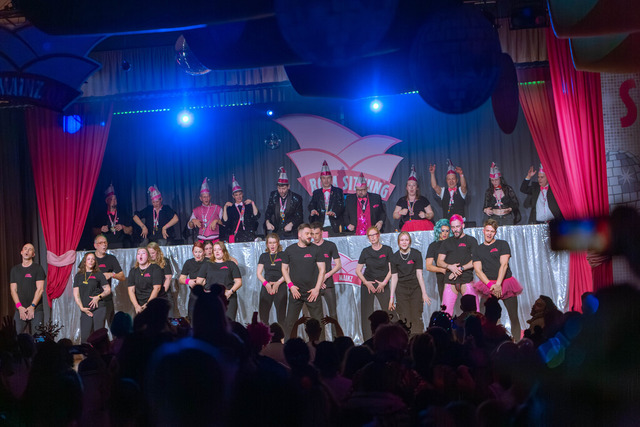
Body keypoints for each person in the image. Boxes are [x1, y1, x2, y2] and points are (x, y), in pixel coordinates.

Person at [472, 219, 523, 341]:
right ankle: (486, 343)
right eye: (487, 231)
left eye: (492, 231)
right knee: (485, 317)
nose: (489, 233)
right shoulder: (478, 249)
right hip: (488, 285)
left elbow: (504, 265)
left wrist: (499, 284)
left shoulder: (502, 244)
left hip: (506, 283)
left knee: (514, 317)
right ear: (483, 231)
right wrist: (491, 285)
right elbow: (478, 271)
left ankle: (517, 343)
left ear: (495, 232)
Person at [282, 223, 326, 337]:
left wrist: (317, 289)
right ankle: (289, 346)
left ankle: (321, 346)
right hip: (295, 292)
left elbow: (322, 270)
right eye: (307, 233)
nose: (310, 236)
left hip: (312, 292)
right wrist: (291, 286)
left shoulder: (316, 249)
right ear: (299, 234)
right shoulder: (289, 250)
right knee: (290, 323)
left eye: (311, 233)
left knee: (318, 322)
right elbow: (284, 269)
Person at [388, 231, 431, 335]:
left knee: (416, 315)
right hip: (401, 290)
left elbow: (419, 274)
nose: (404, 242)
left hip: (415, 289)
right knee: (405, 317)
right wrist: (391, 297)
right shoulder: (394, 257)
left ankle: (418, 339)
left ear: (410, 242)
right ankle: (406, 340)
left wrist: (424, 293)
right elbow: (394, 277)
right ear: (398, 242)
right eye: (402, 240)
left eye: (406, 240)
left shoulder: (416, 254)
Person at [355, 226, 393, 342]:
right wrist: (366, 283)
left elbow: (392, 269)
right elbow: (358, 270)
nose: (372, 237)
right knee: (366, 313)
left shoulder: (387, 250)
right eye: (370, 236)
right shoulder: (365, 251)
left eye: (374, 235)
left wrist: (384, 283)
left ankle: (392, 337)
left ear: (378, 235)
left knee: (389, 311)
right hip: (368, 283)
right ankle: (368, 340)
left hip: (382, 283)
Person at [437, 214, 479, 316]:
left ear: (462, 225)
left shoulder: (471, 240)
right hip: (450, 281)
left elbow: (475, 260)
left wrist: (461, 268)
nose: (455, 229)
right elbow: (439, 261)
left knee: (474, 313)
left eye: (457, 226)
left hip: (466, 280)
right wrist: (450, 267)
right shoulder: (446, 242)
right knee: (445, 314)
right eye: (453, 227)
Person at [196, 241, 242, 320]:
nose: (217, 252)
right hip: (211, 299)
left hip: (228, 297)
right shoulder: (207, 264)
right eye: (215, 250)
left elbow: (239, 282)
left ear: (223, 250)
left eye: (219, 249)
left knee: (229, 322)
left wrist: (230, 292)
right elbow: (198, 282)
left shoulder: (231, 264)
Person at [310, 222, 342, 337]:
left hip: (328, 284)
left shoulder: (330, 245)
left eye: (317, 233)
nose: (315, 236)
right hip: (315, 285)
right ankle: (319, 339)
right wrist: (318, 282)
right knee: (316, 315)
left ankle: (336, 339)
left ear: (322, 233)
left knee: (332, 314)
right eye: (312, 234)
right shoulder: (309, 247)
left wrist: (326, 276)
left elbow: (338, 265)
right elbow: (309, 268)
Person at [72, 252, 110, 343]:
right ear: (84, 262)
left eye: (93, 259)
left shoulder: (98, 274)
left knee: (99, 336)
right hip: (85, 309)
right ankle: (86, 352)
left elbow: (108, 290)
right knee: (85, 337)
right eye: (88, 259)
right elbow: (76, 294)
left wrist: (98, 297)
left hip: (98, 307)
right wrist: (81, 308)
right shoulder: (78, 276)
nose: (91, 261)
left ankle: (101, 351)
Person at [10, 243, 45, 335]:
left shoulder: (38, 268)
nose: (27, 251)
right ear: (21, 252)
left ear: (33, 254)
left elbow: (40, 289)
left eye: (30, 249)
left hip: (36, 309)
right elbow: (13, 290)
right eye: (25, 248)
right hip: (20, 309)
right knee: (14, 336)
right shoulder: (15, 270)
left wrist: (32, 306)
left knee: (39, 338)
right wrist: (19, 307)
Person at [93, 234, 125, 328]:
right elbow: (81, 274)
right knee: (97, 328)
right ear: (95, 245)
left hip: (107, 297)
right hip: (92, 297)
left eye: (105, 242)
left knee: (112, 325)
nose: (104, 245)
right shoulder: (90, 258)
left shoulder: (111, 258)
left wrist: (111, 274)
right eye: (101, 243)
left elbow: (122, 277)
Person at [264, 167, 304, 240]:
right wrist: (267, 222)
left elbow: (299, 216)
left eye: (283, 188)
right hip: (277, 230)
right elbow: (268, 211)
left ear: (288, 187)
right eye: (279, 188)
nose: (281, 191)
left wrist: (291, 224)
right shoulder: (273, 195)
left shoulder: (296, 198)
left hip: (291, 232)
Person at [256, 233, 287, 326]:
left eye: (274, 243)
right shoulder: (263, 256)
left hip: (280, 285)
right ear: (267, 244)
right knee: (263, 316)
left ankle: (282, 335)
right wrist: (266, 284)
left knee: (281, 317)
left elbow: (287, 272)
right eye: (270, 243)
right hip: (267, 285)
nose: (272, 245)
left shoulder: (283, 255)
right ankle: (265, 334)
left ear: (278, 243)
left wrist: (278, 283)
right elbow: (259, 273)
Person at [308, 160, 345, 236]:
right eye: (324, 178)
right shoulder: (316, 193)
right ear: (321, 179)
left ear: (331, 179)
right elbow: (311, 204)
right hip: (320, 225)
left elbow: (341, 205)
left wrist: (334, 212)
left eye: (328, 178)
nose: (326, 180)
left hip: (335, 224)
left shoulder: (338, 191)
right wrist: (313, 210)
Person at [393, 165, 434, 231]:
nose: (411, 188)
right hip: (407, 227)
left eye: (414, 185)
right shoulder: (402, 200)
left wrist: (426, 215)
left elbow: (431, 214)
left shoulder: (423, 199)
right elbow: (395, 215)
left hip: (422, 227)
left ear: (417, 188)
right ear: (406, 187)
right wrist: (400, 212)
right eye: (409, 185)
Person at [93, 183, 132, 248]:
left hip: (121, 245)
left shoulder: (123, 214)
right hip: (105, 245)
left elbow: (130, 231)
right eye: (111, 199)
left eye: (115, 199)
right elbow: (93, 231)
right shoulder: (101, 216)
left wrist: (123, 227)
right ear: (106, 201)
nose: (113, 201)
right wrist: (101, 229)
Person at [222, 175, 260, 242]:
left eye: (240, 194)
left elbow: (256, 215)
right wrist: (225, 207)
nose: (238, 197)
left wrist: (252, 203)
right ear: (233, 196)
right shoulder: (231, 208)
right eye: (236, 195)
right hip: (236, 236)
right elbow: (225, 221)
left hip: (249, 235)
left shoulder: (247, 206)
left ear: (242, 194)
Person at [127, 247, 163, 315]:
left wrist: (147, 304)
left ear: (148, 256)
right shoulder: (133, 271)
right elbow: (131, 290)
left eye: (143, 253)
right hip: (139, 305)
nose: (140, 255)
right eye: (138, 254)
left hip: (153, 303)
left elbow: (157, 288)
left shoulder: (155, 268)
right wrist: (136, 306)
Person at [187, 177, 223, 242]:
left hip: (215, 239)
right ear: (200, 198)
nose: (206, 199)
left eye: (207, 197)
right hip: (201, 239)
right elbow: (189, 226)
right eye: (204, 197)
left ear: (210, 197)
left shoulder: (217, 208)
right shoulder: (196, 210)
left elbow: (224, 223)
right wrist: (192, 221)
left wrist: (216, 221)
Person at [425, 219, 452, 303]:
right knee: (444, 303)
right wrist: (442, 270)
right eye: (442, 231)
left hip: (455, 276)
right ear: (438, 231)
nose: (444, 233)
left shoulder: (453, 243)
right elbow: (428, 266)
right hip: (442, 277)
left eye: (447, 231)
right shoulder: (433, 246)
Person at [179, 242, 206, 320]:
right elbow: (181, 279)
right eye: (196, 252)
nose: (198, 254)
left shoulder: (208, 262)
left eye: (200, 252)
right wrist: (188, 281)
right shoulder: (189, 263)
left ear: (203, 252)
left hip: (207, 293)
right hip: (194, 294)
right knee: (192, 318)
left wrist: (206, 281)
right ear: (193, 252)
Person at [147, 242, 174, 312]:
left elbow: (168, 278)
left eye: (153, 253)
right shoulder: (146, 263)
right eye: (149, 253)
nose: (151, 255)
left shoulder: (164, 261)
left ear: (157, 252)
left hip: (163, 293)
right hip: (150, 293)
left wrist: (162, 293)